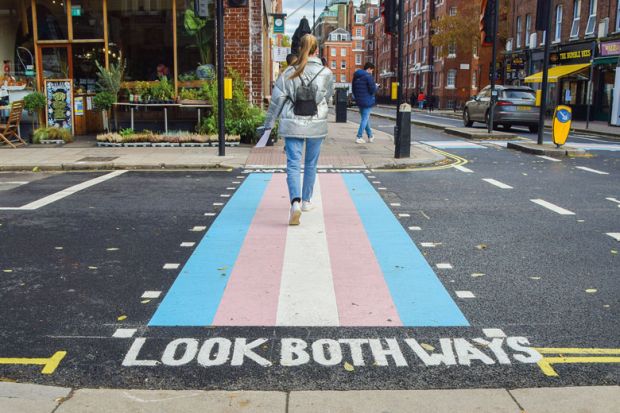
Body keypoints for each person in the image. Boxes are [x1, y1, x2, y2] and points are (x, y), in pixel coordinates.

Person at [263, 34, 334, 225]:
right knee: (311, 163)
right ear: (317, 50)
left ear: (299, 49)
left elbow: (276, 102)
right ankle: (307, 201)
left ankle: (295, 202)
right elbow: (329, 98)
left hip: (292, 123)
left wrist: (267, 125)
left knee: (293, 164)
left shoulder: (288, 73)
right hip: (316, 124)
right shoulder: (326, 73)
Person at [351, 62, 377, 144]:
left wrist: (357, 97)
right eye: (372, 70)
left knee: (365, 119)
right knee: (365, 119)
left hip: (359, 100)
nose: (371, 72)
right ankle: (359, 137)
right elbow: (372, 90)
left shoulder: (356, 76)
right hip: (367, 100)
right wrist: (376, 86)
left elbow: (353, 88)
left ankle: (370, 136)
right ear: (369, 68)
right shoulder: (368, 76)